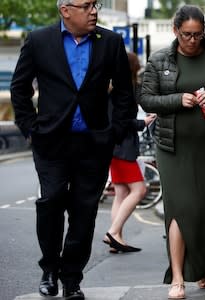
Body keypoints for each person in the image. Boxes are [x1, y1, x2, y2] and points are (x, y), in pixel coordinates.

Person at [9, 1, 136, 299]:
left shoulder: (111, 42)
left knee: (84, 211)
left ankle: (72, 279)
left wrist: (114, 131)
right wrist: (29, 128)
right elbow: (20, 87)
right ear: (66, 10)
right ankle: (50, 269)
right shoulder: (39, 40)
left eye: (96, 5)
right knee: (51, 201)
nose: (94, 11)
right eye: (87, 5)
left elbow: (124, 93)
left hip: (93, 143)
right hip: (51, 141)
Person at [140, 5, 205, 299]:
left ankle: (202, 267)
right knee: (180, 209)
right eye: (187, 34)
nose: (193, 40)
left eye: (198, 34)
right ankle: (177, 276)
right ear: (175, 31)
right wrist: (177, 99)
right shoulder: (160, 58)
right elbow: (147, 99)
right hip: (172, 148)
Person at [103, 52, 157, 253]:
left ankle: (116, 239)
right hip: (122, 147)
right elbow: (121, 122)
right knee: (139, 190)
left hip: (113, 147)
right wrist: (142, 122)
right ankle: (113, 232)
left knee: (121, 192)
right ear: (133, 67)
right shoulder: (122, 90)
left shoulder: (112, 88)